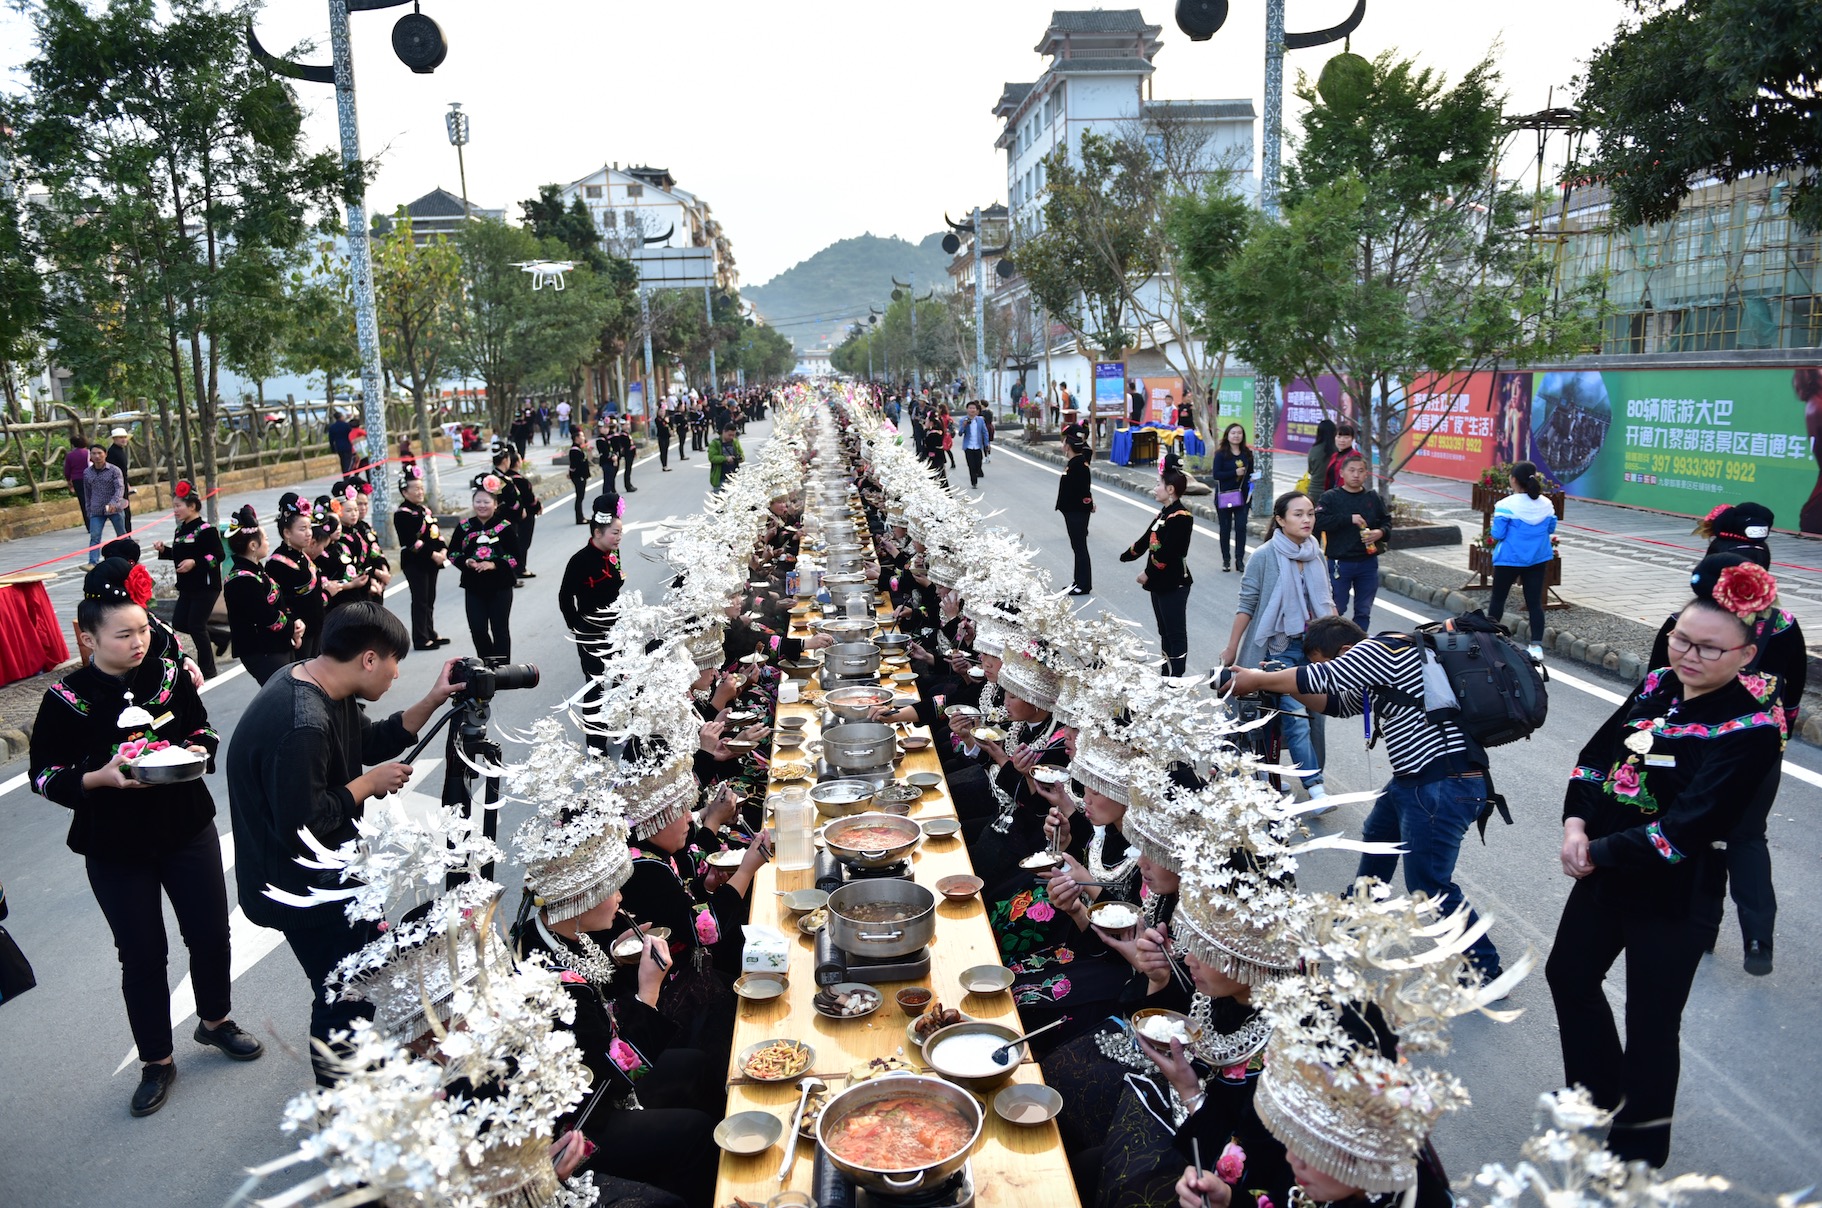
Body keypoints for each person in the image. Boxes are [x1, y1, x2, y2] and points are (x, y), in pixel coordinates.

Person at [1549, 588, 1784, 1166]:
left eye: (1708, 648)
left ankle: (1639, 1147)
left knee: (1652, 1021)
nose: (1688, 655)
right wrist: (1575, 824)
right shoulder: (1656, 685)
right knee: (1569, 976)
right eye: (1681, 638)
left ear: (1746, 654)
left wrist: (1596, 850)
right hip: (1603, 870)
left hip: (1676, 892)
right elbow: (1596, 757)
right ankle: (1594, 1094)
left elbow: (1684, 831)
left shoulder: (1751, 727)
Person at [31, 561, 262, 1117]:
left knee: (209, 931)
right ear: (88, 639)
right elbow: (43, 774)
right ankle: (156, 1060)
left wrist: (197, 751)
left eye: (142, 630)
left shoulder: (169, 674)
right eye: (123, 634)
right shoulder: (67, 698)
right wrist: (97, 778)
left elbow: (201, 728)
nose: (139, 642)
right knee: (141, 954)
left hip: (185, 824)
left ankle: (215, 1021)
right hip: (114, 845)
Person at [225, 602, 461, 1086]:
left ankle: (350, 1075)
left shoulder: (314, 678)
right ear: (369, 659)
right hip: (300, 884)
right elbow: (304, 824)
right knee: (347, 986)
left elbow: (368, 741)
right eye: (395, 665)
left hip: (323, 873)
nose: (397, 675)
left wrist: (435, 697)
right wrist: (367, 785)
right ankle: (341, 1099)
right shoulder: (302, 722)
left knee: (359, 974)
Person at [1230, 614, 1503, 977]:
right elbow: (1336, 704)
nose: (1329, 670)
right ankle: (1357, 918)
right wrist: (1280, 683)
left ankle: (1484, 968)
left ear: (1345, 650)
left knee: (1428, 881)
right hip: (1415, 781)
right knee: (1378, 838)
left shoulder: (1381, 649)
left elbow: (1321, 678)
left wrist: (1259, 679)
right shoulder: (1388, 666)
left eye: (1327, 662)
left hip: (1442, 782)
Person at [1646, 553, 1802, 977]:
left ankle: (1704, 929)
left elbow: (1657, 681)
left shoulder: (1686, 624)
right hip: (1761, 745)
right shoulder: (1783, 624)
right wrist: (1776, 740)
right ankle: (1757, 939)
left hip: (1689, 742)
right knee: (1748, 837)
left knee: (1693, 829)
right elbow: (1793, 694)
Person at [1220, 491, 1336, 805]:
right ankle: (1315, 788)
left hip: (1313, 649)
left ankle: (1269, 776)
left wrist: (1340, 641)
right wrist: (1232, 648)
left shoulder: (1316, 553)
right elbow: (1247, 604)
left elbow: (1326, 601)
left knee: (1313, 716)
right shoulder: (1264, 556)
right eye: (1298, 514)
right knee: (1293, 716)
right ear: (1281, 519)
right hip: (1277, 651)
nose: (1307, 519)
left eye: (1310, 513)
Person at [558, 494, 624, 749]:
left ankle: (621, 729)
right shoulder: (579, 560)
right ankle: (596, 742)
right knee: (595, 684)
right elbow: (565, 596)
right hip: (590, 631)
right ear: (597, 532)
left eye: (620, 533)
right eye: (614, 533)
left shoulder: (613, 554)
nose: (618, 538)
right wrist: (576, 626)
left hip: (617, 628)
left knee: (620, 679)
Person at [1121, 468, 1195, 677]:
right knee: (1164, 631)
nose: (1155, 489)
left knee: (1175, 632)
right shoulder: (1164, 512)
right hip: (1160, 582)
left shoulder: (1181, 517)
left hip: (1174, 582)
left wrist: (1147, 573)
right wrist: (1129, 554)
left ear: (1170, 489)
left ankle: (1177, 678)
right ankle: (1166, 672)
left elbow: (1169, 552)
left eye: (1158, 484)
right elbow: (1147, 539)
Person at [220, 505, 301, 685]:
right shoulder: (241, 579)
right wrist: (292, 627)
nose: (268, 542)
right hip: (261, 650)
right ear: (253, 545)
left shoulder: (255, 571)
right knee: (284, 695)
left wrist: (293, 621)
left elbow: (277, 604)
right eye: (265, 538)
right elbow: (265, 615)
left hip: (274, 645)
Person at [153, 480, 224, 679]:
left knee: (196, 625)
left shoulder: (206, 529)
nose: (175, 510)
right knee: (180, 622)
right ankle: (221, 636)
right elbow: (178, 554)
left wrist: (195, 562)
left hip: (206, 586)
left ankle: (208, 669)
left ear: (192, 506)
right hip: (187, 586)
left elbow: (218, 556)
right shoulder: (180, 529)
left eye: (178, 506)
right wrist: (163, 550)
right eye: (173, 506)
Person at [1488, 460, 1559, 661]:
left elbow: (1498, 533)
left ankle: (1489, 639)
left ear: (1513, 480)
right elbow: (1550, 528)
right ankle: (1536, 647)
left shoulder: (1505, 505)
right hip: (1537, 558)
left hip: (1509, 559)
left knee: (1498, 599)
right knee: (1534, 603)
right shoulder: (1546, 504)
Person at [450, 473, 523, 661]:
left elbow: (516, 557)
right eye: (478, 501)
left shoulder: (505, 527)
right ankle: (487, 664)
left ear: (495, 504)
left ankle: (503, 669)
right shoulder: (464, 527)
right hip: (473, 586)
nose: (482, 505)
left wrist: (494, 564)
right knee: (477, 628)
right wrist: (466, 562)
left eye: (486, 502)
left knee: (500, 628)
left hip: (501, 586)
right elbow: (453, 553)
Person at [1316, 453, 1390, 629]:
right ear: (1342, 473)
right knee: (1336, 609)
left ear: (1366, 475)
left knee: (1363, 610)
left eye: (1361, 471)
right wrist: (1349, 519)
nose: (1356, 475)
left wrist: (1380, 532)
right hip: (1339, 563)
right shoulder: (1330, 497)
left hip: (1368, 562)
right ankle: (1332, 645)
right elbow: (1318, 521)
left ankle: (1359, 648)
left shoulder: (1373, 498)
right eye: (1352, 470)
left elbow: (1387, 521)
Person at [393, 465, 449, 653]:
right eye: (415, 489)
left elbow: (436, 533)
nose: (420, 492)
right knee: (420, 600)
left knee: (430, 598)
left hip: (432, 561)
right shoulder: (402, 514)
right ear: (404, 491)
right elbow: (410, 541)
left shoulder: (424, 510)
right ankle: (420, 638)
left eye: (421, 488)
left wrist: (442, 550)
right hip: (415, 561)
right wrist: (432, 554)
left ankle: (430, 632)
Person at [266, 492, 325, 659]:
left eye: (309, 528)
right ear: (287, 533)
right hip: (299, 631)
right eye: (302, 529)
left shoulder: (303, 556)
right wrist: (294, 624)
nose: (309, 533)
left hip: (317, 626)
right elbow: (278, 600)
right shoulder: (276, 563)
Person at [1210, 422, 1255, 573]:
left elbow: (1250, 472)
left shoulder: (1247, 453)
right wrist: (1234, 473)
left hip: (1242, 497)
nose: (1236, 436)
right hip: (1225, 495)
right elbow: (1216, 475)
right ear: (1227, 435)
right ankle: (1226, 560)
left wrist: (1252, 478)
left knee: (1241, 527)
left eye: (1239, 433)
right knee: (1225, 528)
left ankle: (1240, 560)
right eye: (1233, 433)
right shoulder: (1221, 454)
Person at [1055, 435, 1095, 595]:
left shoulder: (1079, 465)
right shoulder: (1074, 463)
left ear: (1068, 447)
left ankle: (1083, 584)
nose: (1062, 445)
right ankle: (1078, 581)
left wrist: (1089, 503)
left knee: (1080, 548)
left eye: (1064, 443)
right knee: (1077, 547)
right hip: (1072, 510)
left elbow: (1084, 490)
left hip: (1077, 512)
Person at [82, 444, 128, 563]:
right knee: (95, 537)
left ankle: (128, 558)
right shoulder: (87, 473)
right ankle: (93, 562)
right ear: (90, 456)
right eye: (94, 453)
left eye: (99, 453)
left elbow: (119, 488)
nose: (97, 456)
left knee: (122, 535)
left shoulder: (114, 470)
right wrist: (88, 509)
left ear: (105, 454)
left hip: (114, 509)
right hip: (96, 509)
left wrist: (114, 502)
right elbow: (87, 493)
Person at [106, 427, 135, 528]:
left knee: (125, 510)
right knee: (123, 511)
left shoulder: (119, 450)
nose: (124, 439)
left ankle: (127, 534)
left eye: (125, 437)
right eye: (120, 438)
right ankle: (126, 535)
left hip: (122, 483)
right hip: (118, 485)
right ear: (114, 439)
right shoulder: (113, 452)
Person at [960, 400, 991, 488]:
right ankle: (974, 482)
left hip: (978, 446)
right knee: (971, 465)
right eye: (970, 408)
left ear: (977, 410)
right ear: (967, 409)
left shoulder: (980, 420)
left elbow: (985, 432)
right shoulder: (963, 420)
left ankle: (977, 472)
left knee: (978, 464)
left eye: (974, 408)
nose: (972, 410)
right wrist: (964, 425)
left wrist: (987, 443)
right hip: (968, 447)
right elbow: (960, 433)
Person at [567, 428, 593, 524]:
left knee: (581, 497)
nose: (583, 437)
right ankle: (579, 518)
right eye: (581, 436)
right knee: (579, 497)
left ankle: (581, 516)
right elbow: (573, 465)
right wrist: (571, 473)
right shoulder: (574, 450)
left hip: (581, 476)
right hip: (578, 476)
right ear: (576, 438)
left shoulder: (579, 449)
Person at [63, 434, 90, 526]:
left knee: (83, 502)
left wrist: (68, 480)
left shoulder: (70, 455)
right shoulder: (89, 453)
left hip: (77, 479)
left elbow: (67, 470)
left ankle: (88, 524)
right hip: (89, 478)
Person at [708, 423, 743, 491]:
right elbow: (712, 457)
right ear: (724, 432)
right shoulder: (715, 443)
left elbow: (741, 454)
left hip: (734, 476)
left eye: (733, 435)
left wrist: (740, 458)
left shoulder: (735, 442)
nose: (731, 437)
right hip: (720, 477)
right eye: (729, 435)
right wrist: (726, 459)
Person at [326, 410, 354, 474]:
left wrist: (333, 449)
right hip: (347, 446)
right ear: (341, 417)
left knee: (343, 461)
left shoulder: (332, 427)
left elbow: (331, 439)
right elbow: (351, 435)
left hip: (339, 446)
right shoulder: (346, 425)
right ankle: (347, 475)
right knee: (348, 461)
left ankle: (344, 473)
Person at [655, 402, 672, 471]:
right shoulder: (657, 419)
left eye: (663, 411)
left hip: (667, 436)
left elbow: (670, 426)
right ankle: (664, 465)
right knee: (662, 451)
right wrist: (666, 422)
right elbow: (661, 427)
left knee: (666, 451)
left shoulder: (666, 419)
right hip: (661, 437)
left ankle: (666, 464)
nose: (662, 413)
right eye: (661, 411)